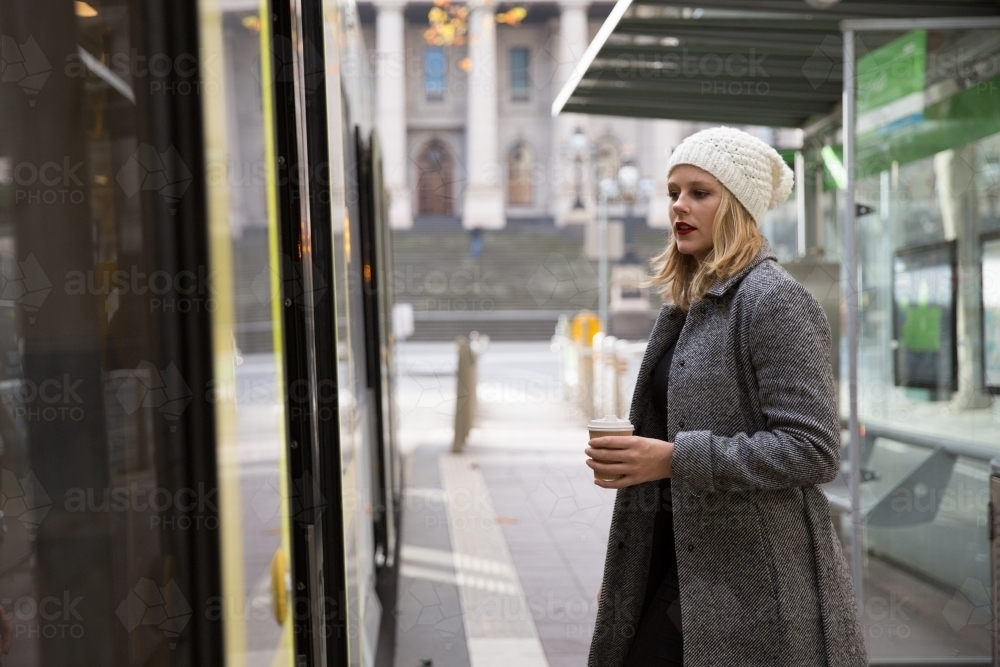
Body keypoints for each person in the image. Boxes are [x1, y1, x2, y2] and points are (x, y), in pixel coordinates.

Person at [584, 126, 867, 667]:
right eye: (673, 193)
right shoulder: (686, 305)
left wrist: (672, 459)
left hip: (753, 584)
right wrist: (631, 572)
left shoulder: (774, 301)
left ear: (737, 206)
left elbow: (812, 448)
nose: (679, 207)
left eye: (699, 192)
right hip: (678, 559)